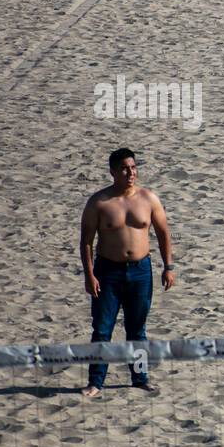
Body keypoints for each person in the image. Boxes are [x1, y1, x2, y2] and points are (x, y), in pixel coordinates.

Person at [79, 148, 175, 398]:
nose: (130, 172)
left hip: (141, 271)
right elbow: (86, 241)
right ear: (113, 172)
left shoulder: (148, 199)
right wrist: (89, 275)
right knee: (102, 329)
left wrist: (168, 267)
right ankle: (95, 382)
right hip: (108, 271)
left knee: (137, 329)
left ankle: (140, 378)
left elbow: (163, 233)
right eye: (124, 168)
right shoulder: (99, 202)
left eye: (133, 167)